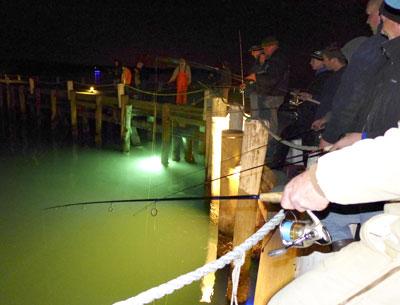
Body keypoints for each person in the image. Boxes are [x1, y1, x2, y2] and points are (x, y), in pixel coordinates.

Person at [267, 123, 400, 305]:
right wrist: (362, 137)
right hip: (389, 234)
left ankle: (340, 247)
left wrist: (321, 180)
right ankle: (342, 248)